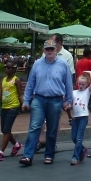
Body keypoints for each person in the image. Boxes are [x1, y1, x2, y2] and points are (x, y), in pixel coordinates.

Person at [19, 39, 74, 167]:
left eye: (52, 49)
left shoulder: (63, 64)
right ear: (43, 50)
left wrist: (69, 101)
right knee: (34, 126)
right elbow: (30, 83)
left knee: (52, 129)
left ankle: (49, 155)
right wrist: (26, 100)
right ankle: (27, 156)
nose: (49, 51)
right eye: (47, 49)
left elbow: (68, 84)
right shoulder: (37, 64)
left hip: (55, 99)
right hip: (38, 98)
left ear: (56, 50)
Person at [0, 62, 24, 161]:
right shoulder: (3, 80)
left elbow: (20, 94)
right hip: (4, 107)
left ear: (14, 69)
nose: (6, 69)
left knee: (7, 130)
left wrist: (24, 104)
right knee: (4, 130)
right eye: (5, 67)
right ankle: (16, 145)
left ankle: (0, 152)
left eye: (9, 67)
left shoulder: (16, 80)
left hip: (13, 107)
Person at [69, 70, 91, 165]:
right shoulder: (74, 92)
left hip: (83, 116)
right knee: (74, 138)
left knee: (79, 138)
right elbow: (71, 104)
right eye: (79, 84)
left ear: (86, 85)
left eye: (83, 84)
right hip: (75, 117)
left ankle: (75, 157)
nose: (81, 86)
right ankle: (83, 149)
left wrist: (90, 72)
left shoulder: (87, 92)